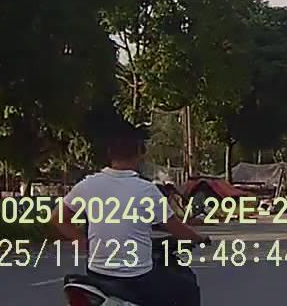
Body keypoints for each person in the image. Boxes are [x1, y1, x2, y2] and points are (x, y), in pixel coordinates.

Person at [56, 121, 207, 306]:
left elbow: (58, 218)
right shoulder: (146, 190)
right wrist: (199, 238)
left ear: (109, 154)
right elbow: (175, 227)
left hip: (97, 273)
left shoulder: (88, 185)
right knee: (187, 286)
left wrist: (82, 241)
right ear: (139, 154)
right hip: (137, 278)